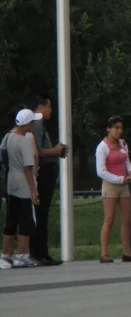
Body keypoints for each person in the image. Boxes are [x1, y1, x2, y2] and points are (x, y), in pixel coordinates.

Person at [95, 115, 131, 263]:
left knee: (126, 219)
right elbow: (100, 171)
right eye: (116, 128)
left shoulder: (122, 144)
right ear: (108, 129)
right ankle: (104, 253)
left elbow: (126, 161)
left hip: (124, 185)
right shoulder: (102, 147)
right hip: (111, 184)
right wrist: (119, 179)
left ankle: (127, 252)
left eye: (121, 128)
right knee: (109, 219)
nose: (119, 131)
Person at [29, 95, 67, 266]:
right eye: (49, 106)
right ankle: (39, 252)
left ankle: (41, 251)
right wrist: (56, 150)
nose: (51, 110)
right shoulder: (36, 125)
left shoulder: (39, 125)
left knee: (43, 212)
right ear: (41, 107)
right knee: (41, 213)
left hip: (47, 171)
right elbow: (39, 151)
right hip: (44, 172)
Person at [2, 109, 40, 268]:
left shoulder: (9, 137)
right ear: (27, 124)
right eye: (33, 122)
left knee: (11, 219)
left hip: (11, 182)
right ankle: (22, 253)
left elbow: (2, 154)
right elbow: (28, 168)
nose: (34, 124)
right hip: (24, 184)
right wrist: (33, 190)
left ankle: (5, 254)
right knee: (26, 220)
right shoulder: (24, 141)